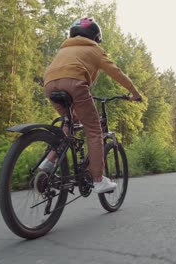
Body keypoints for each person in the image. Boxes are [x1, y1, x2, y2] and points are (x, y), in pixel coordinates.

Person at [39, 17, 142, 194]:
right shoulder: (95, 50)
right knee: (94, 130)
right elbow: (117, 73)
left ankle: (49, 161)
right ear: (95, 37)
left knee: (70, 123)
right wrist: (135, 92)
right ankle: (98, 180)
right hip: (75, 83)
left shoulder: (65, 48)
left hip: (49, 84)